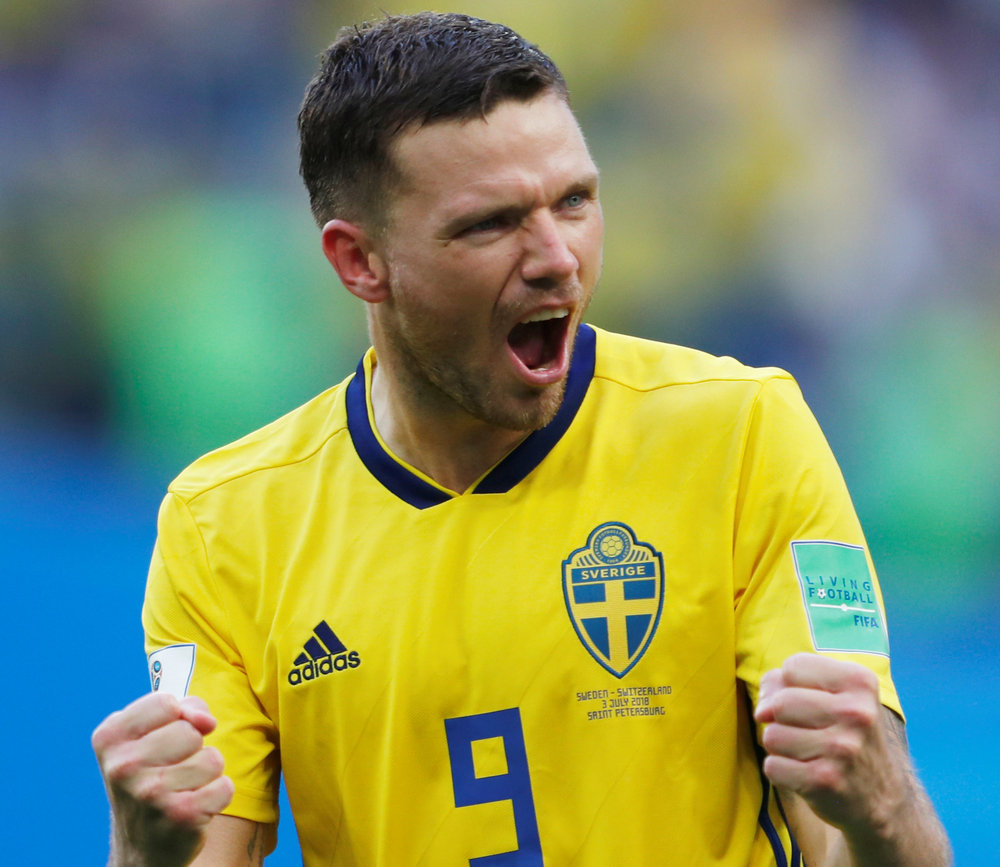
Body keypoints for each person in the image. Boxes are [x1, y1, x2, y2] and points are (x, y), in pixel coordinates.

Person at [91, 11, 952, 866]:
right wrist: (143, 850)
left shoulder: (742, 434)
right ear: (360, 262)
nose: (557, 259)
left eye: (574, 200)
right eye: (491, 223)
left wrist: (884, 807)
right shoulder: (224, 528)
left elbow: (856, 831)